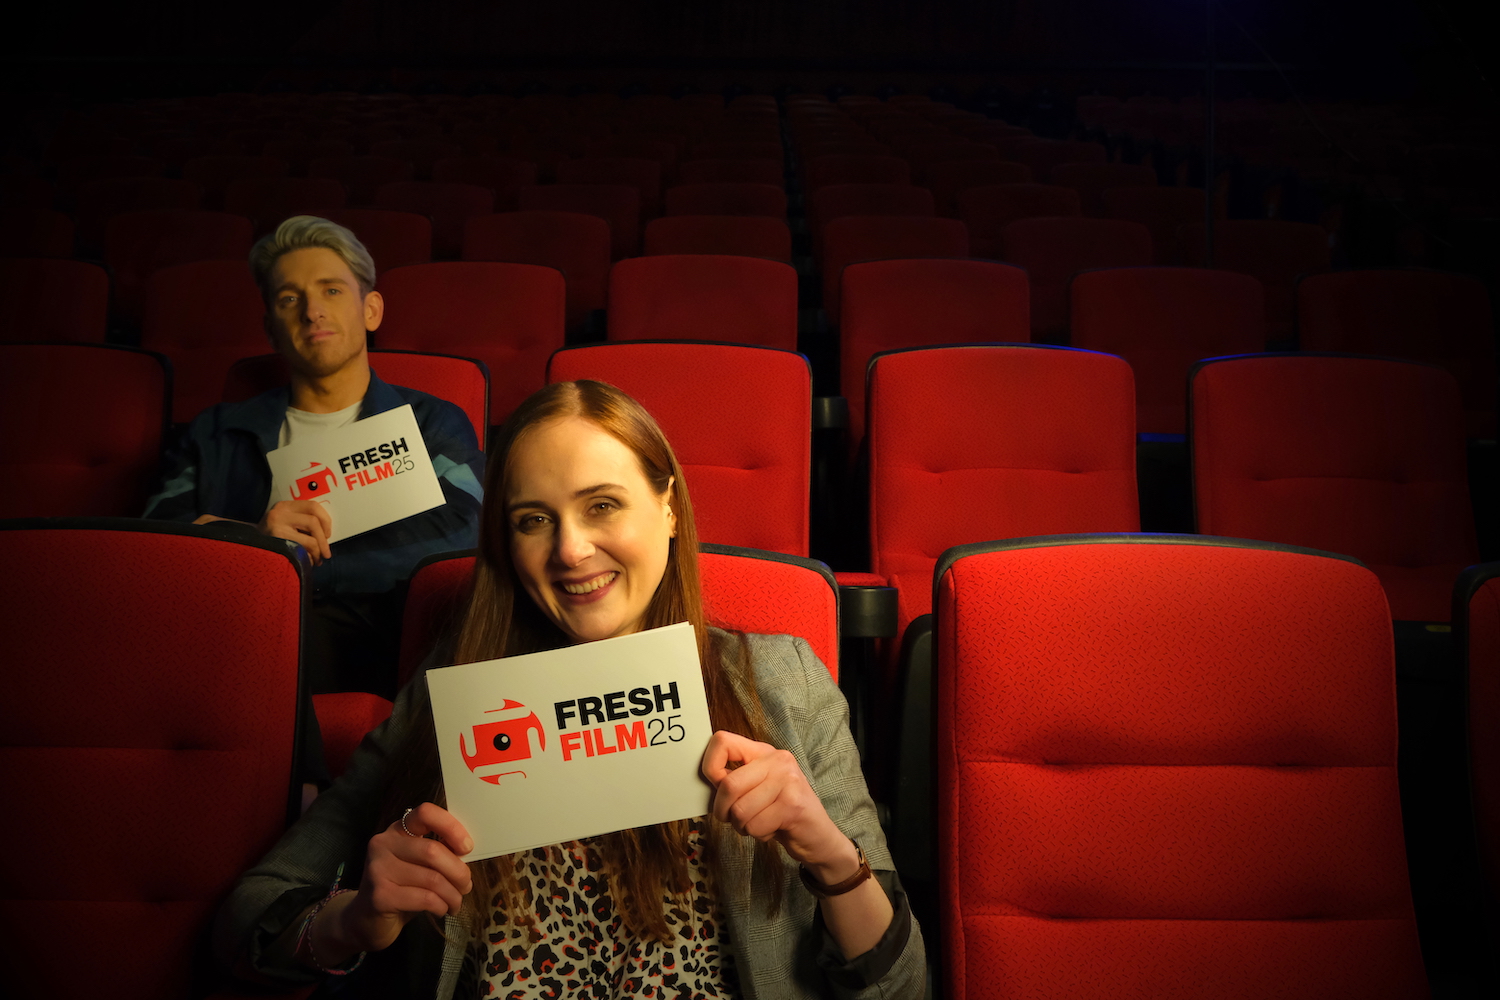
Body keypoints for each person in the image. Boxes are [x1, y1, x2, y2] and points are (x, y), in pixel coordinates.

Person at [215, 380, 925, 999]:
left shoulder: (785, 684)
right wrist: (351, 919)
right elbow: (250, 919)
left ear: (669, 508)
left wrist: (832, 857)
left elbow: (902, 988)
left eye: (603, 505)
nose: (570, 550)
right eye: (534, 520)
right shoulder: (449, 700)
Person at [143, 216, 485, 700]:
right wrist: (257, 541)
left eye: (331, 291)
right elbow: (156, 542)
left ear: (371, 310)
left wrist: (302, 568)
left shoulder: (432, 423)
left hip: (386, 643)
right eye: (289, 299)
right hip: (238, 633)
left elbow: (466, 533)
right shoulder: (216, 432)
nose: (311, 312)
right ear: (270, 328)